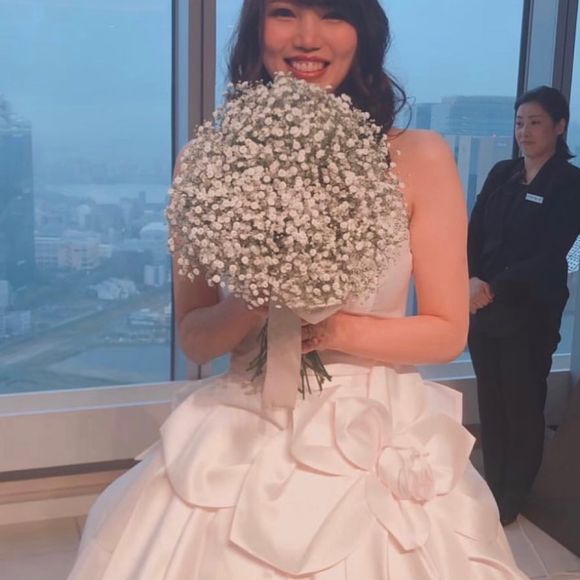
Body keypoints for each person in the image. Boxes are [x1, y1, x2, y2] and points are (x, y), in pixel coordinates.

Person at [68, 1, 527, 577]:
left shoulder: (421, 157)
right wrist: (258, 297)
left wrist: (328, 327)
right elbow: (195, 338)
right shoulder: (206, 163)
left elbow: (446, 332)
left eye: (332, 14)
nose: (308, 37)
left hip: (372, 430)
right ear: (256, 28)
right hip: (240, 425)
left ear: (361, 33)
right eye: (285, 12)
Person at [468, 85, 580, 526]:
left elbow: (555, 252)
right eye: (519, 122)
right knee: (491, 401)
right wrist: (471, 279)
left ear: (559, 126)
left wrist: (494, 286)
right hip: (483, 307)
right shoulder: (503, 174)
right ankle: (492, 483)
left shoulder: (570, 183)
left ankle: (515, 493)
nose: (525, 131)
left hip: (531, 311)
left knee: (522, 403)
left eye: (535, 122)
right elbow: (475, 231)